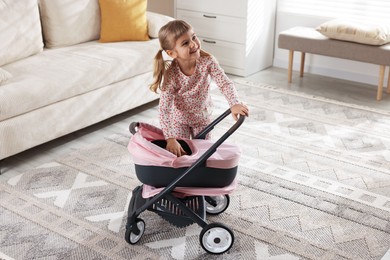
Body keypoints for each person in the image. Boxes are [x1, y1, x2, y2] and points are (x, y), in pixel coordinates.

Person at [150, 20, 249, 157]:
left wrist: (234, 102)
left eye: (194, 37)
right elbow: (164, 109)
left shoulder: (208, 62)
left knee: (203, 153)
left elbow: (225, 84)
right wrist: (170, 138)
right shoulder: (171, 75)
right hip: (179, 121)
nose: (193, 43)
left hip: (203, 119)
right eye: (185, 43)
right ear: (172, 53)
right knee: (182, 154)